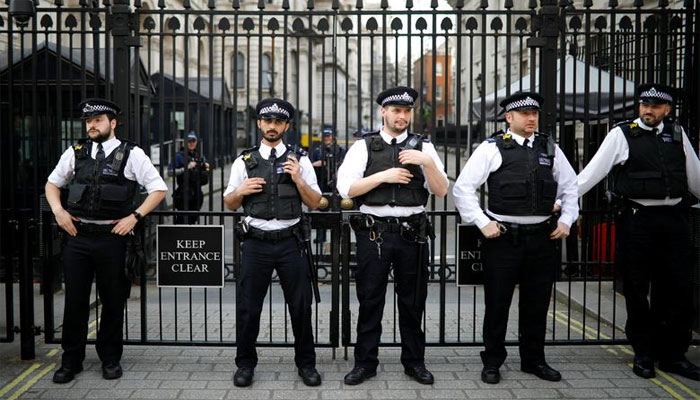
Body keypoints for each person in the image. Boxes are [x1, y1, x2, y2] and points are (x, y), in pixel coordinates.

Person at [453, 92, 579, 384]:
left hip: (542, 238)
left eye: (534, 113)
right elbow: (463, 188)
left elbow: (571, 187)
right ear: (509, 117)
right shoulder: (492, 148)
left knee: (537, 304)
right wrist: (483, 222)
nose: (531, 118)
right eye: (524, 113)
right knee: (498, 303)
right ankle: (493, 361)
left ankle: (534, 360)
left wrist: (566, 219)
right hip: (504, 240)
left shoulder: (550, 146)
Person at [577, 83, 700, 381]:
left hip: (674, 220)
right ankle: (643, 354)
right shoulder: (621, 134)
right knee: (636, 288)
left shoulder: (677, 134)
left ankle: (673, 355)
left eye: (656, 107)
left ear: (667, 110)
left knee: (677, 288)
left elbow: (694, 177)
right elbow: (592, 173)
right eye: (645, 104)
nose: (648, 110)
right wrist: (562, 203)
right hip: (638, 220)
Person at [45, 98, 167, 384]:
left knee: (113, 301)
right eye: (88, 121)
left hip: (113, 239)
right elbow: (52, 184)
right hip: (78, 236)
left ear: (113, 123)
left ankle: (110, 358)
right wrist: (59, 212)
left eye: (97, 120)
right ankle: (70, 360)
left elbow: (158, 189)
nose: (91, 125)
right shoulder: (75, 152)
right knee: (74, 301)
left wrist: (134, 217)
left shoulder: (131, 154)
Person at [336, 86, 449, 385]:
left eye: (406, 111)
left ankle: (414, 363)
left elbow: (441, 189)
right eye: (396, 110)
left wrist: (426, 163)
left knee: (413, 302)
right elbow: (345, 188)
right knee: (370, 300)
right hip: (375, 234)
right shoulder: (364, 146)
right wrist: (383, 176)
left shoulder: (424, 148)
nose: (402, 116)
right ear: (383, 112)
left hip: (413, 234)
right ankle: (365, 363)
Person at [223, 98, 323, 388]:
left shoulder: (300, 160)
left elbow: (315, 202)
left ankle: (306, 364)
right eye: (267, 121)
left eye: (278, 121)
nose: (272, 126)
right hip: (256, 244)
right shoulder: (244, 161)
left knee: (300, 307)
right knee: (248, 308)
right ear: (259, 124)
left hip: (291, 243)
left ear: (286, 126)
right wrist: (240, 190)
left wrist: (299, 180)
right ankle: (245, 365)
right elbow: (229, 203)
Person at [169, 131, 210, 224]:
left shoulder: (199, 156)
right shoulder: (179, 156)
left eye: (193, 141)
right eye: (189, 141)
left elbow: (204, 174)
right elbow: (170, 172)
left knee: (193, 219)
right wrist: (186, 168)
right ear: (185, 142)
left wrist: (206, 167)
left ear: (196, 142)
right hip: (184, 193)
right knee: (182, 220)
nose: (191, 143)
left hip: (197, 193)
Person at [311, 126, 346, 193]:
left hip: (337, 181)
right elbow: (310, 165)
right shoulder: (317, 151)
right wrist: (316, 164)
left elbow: (347, 164)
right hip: (321, 181)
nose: (326, 138)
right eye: (325, 136)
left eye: (328, 136)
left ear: (333, 137)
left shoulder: (341, 150)